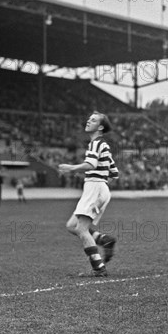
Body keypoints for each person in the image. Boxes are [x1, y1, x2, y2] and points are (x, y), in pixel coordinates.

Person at [59, 111, 119, 277]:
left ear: (100, 127)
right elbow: (114, 172)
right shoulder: (103, 146)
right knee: (72, 226)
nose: (88, 121)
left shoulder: (97, 144)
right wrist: (101, 181)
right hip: (98, 188)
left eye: (93, 120)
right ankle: (105, 240)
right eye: (89, 119)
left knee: (82, 229)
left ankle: (98, 268)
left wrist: (71, 168)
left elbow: (91, 164)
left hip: (95, 189)